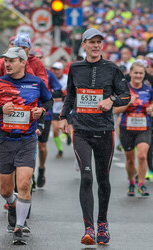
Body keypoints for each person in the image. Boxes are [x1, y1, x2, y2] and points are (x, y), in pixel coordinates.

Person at [59, 28, 131, 245]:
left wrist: (112, 101)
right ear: (84, 45)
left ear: (103, 45)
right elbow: (70, 94)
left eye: (99, 42)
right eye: (92, 42)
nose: (96, 46)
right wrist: (63, 117)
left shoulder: (112, 69)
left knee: (103, 179)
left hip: (104, 131)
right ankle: (88, 228)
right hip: (81, 130)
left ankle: (102, 223)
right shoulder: (75, 68)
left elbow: (126, 95)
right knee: (86, 176)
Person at [0, 47, 53, 245]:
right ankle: (12, 205)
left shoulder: (36, 82)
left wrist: (41, 110)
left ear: (23, 62)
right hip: (4, 140)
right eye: (5, 61)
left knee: (25, 183)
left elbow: (49, 100)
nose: (7, 64)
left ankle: (19, 226)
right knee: (6, 190)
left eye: (11, 60)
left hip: (27, 139)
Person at [114, 61, 153, 197]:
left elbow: (152, 106)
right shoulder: (124, 89)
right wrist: (127, 103)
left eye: (141, 73)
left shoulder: (148, 89)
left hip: (144, 127)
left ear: (144, 74)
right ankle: (131, 182)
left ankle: (141, 184)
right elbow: (116, 110)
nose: (138, 75)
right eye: (135, 73)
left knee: (142, 155)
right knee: (130, 159)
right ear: (130, 74)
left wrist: (151, 109)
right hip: (126, 128)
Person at [32, 49, 63, 187]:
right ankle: (29, 172)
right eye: (35, 57)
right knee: (29, 145)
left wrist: (46, 92)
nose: (38, 60)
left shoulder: (49, 74)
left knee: (42, 147)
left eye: (40, 57)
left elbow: (59, 91)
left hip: (45, 114)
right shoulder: (26, 74)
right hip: (29, 114)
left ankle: (41, 169)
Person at [51, 61, 72, 158]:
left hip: (66, 109)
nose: (56, 71)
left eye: (58, 69)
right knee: (55, 130)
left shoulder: (67, 79)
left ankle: (68, 136)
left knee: (66, 130)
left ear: (62, 70)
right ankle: (60, 150)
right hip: (55, 109)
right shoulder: (50, 79)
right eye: (54, 69)